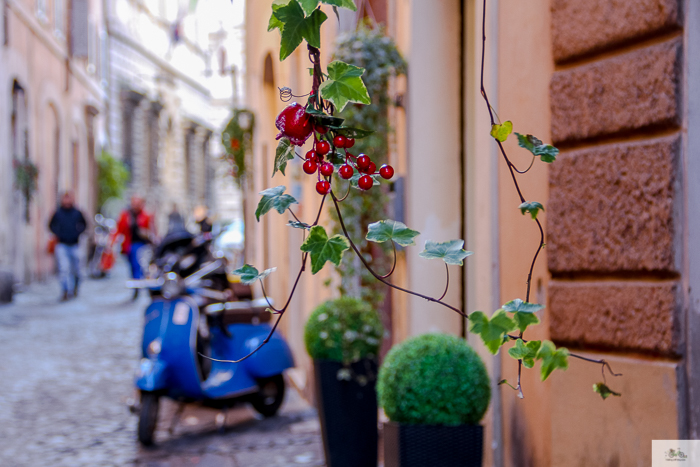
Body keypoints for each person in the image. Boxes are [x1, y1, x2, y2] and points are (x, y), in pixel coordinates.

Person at [49, 191, 87, 301]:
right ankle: (65, 290)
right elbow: (50, 225)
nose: (67, 201)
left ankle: (75, 287)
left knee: (77, 270)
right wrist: (58, 234)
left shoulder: (77, 213)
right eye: (65, 199)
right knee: (63, 268)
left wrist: (77, 233)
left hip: (75, 244)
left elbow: (84, 224)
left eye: (69, 198)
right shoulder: (58, 213)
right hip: (62, 244)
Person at [116, 196, 155, 299]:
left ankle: (137, 285)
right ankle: (136, 281)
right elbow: (120, 229)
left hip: (140, 244)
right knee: (132, 266)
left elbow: (151, 230)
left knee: (137, 264)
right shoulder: (126, 215)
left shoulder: (146, 215)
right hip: (128, 244)